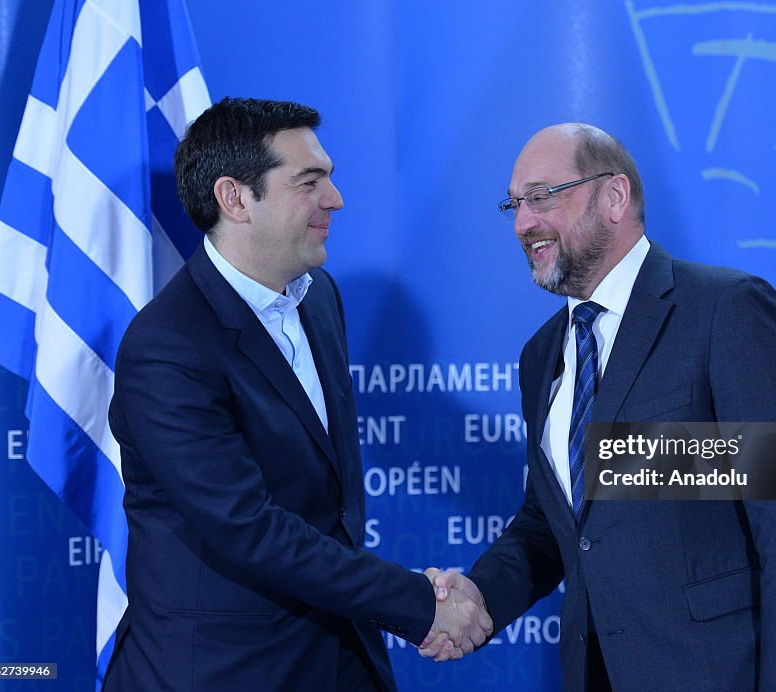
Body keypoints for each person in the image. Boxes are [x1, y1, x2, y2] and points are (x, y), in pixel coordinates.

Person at [423, 123, 776, 691]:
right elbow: (555, 524)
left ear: (615, 196)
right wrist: (479, 595)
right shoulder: (541, 356)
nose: (524, 222)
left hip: (728, 673)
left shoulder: (725, 309)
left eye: (542, 196)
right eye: (515, 204)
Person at [103, 97, 491, 691]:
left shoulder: (319, 297)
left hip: (339, 656)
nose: (335, 200)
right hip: (224, 671)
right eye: (309, 182)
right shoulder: (168, 345)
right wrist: (417, 602)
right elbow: (248, 527)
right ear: (235, 198)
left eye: (329, 179)